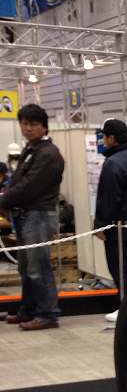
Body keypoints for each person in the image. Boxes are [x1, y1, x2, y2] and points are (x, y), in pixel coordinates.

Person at [0, 105, 64, 331]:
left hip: (39, 215)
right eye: (24, 124)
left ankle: (47, 314)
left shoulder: (48, 154)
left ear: (44, 126)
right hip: (26, 214)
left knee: (38, 266)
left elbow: (30, 186)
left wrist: (4, 200)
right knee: (26, 267)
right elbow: (17, 181)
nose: (28, 128)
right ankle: (28, 310)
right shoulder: (32, 149)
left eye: (33, 124)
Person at [93, 118, 127, 324]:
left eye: (105, 137)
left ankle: (126, 308)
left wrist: (100, 224)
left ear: (112, 138)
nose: (104, 141)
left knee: (121, 267)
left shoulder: (114, 162)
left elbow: (109, 197)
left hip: (117, 226)